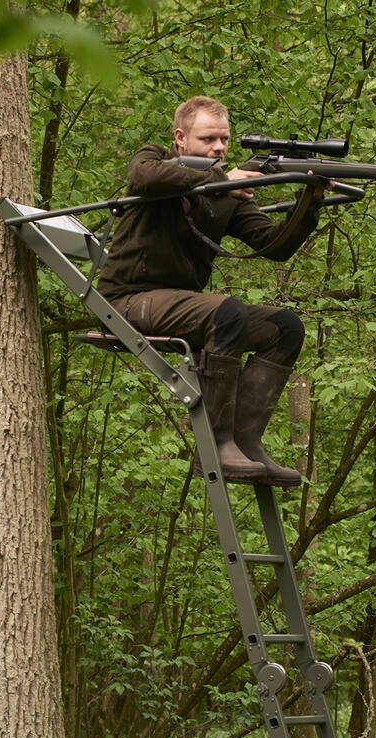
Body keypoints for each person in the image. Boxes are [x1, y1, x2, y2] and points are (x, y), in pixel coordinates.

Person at [97, 96, 329, 487]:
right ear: (180, 137)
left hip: (179, 303)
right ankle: (217, 447)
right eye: (208, 139)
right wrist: (222, 181)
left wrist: (310, 200)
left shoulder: (226, 195)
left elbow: (274, 245)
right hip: (128, 299)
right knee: (228, 311)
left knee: (285, 327)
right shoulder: (156, 158)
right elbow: (144, 178)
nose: (219, 148)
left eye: (224, 140)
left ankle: (244, 443)